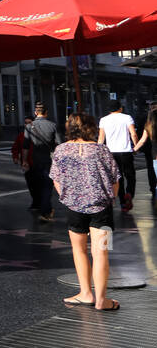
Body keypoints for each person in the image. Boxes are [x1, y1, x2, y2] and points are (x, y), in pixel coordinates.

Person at [53, 114, 121, 312]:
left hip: (74, 208)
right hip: (103, 210)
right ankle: (102, 300)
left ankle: (85, 293)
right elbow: (115, 179)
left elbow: (56, 179)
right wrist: (111, 200)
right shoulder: (102, 150)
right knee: (102, 252)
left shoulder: (61, 150)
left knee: (79, 249)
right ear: (91, 127)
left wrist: (69, 198)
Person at [98, 99, 138, 212]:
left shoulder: (103, 120)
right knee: (130, 175)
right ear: (120, 108)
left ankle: (123, 203)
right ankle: (129, 193)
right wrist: (136, 146)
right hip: (126, 152)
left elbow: (101, 138)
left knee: (117, 178)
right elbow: (133, 134)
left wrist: (99, 152)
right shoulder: (127, 117)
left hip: (111, 153)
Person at [26, 102, 61, 221]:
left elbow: (25, 146)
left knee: (38, 184)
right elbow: (58, 143)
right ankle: (45, 210)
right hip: (49, 158)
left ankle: (44, 207)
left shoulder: (29, 126)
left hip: (35, 158)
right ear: (46, 113)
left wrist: (25, 160)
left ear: (35, 113)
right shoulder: (52, 125)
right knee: (47, 184)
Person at [13, 117, 40, 210]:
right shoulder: (21, 136)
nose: (27, 124)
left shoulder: (39, 135)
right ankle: (35, 201)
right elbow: (15, 147)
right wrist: (15, 157)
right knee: (30, 184)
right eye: (25, 123)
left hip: (38, 163)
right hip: (27, 164)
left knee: (39, 184)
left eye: (29, 122)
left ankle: (39, 202)